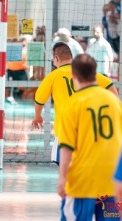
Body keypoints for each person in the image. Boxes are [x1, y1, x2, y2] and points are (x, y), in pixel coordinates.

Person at [57, 54, 122, 220]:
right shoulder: (114, 101)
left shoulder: (71, 105)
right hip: (111, 180)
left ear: (73, 76)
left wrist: (62, 178)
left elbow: (66, 148)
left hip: (82, 181)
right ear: (96, 74)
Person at [32, 42, 118, 165]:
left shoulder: (53, 76)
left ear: (56, 59)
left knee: (63, 164)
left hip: (65, 128)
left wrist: (37, 116)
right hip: (87, 127)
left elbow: (39, 99)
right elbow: (109, 84)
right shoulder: (84, 74)